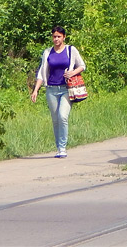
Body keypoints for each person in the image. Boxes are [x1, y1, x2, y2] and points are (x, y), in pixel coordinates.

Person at [31, 26, 85, 158]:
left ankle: (63, 148)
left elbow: (82, 66)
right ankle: (59, 148)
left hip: (66, 89)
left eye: (59, 36)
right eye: (54, 36)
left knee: (62, 116)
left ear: (64, 37)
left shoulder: (70, 50)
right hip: (51, 89)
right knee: (55, 120)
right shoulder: (48, 52)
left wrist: (72, 72)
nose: (56, 39)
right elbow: (42, 73)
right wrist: (36, 90)